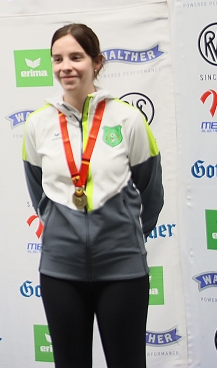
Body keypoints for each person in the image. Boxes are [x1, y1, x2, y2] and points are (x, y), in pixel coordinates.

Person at [22, 24, 163, 368]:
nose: (65, 67)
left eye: (76, 57)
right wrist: (65, 230)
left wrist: (125, 235)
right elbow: (39, 193)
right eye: (58, 59)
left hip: (122, 268)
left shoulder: (128, 119)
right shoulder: (38, 124)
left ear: (96, 62)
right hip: (60, 271)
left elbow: (151, 192)